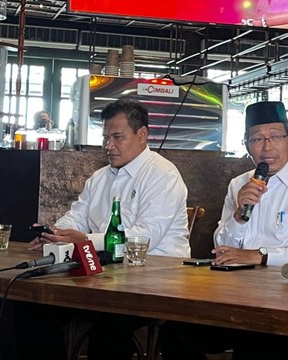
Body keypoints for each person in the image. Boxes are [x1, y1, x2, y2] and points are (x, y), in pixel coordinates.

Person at [159, 101, 288, 360]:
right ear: (247, 145)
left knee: (256, 343)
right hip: (238, 296)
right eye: (257, 139)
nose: (267, 147)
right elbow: (221, 245)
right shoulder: (238, 184)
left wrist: (260, 255)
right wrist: (238, 215)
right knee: (174, 332)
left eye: (275, 137)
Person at [16, 98, 190, 360]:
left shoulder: (163, 174)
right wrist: (57, 233)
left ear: (142, 135)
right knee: (31, 310)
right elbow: (78, 214)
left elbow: (146, 236)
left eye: (117, 137)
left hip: (156, 280)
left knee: (108, 333)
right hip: (106, 277)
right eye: (106, 137)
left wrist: (85, 239)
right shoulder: (100, 177)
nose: (109, 146)